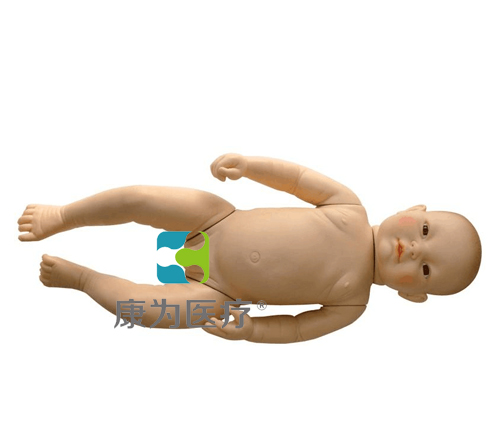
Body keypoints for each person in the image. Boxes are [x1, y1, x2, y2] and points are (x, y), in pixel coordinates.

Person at [17, 154, 482, 343]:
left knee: (149, 312)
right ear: (413, 209)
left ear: (412, 295)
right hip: (217, 219)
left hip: (221, 292)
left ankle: (82, 279)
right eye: (425, 231)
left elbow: (298, 329)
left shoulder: (352, 303)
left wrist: (252, 330)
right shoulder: (349, 206)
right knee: (140, 198)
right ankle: (64, 215)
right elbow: (298, 180)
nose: (413, 249)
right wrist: (251, 167)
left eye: (426, 269)